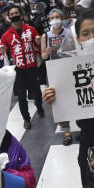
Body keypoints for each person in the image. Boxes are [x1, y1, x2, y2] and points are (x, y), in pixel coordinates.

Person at [43, 8, 94, 182]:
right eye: (85, 33)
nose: (92, 38)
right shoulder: (70, 72)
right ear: (79, 40)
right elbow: (63, 121)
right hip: (90, 146)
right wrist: (52, 103)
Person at [0, 4, 44, 130]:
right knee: (21, 96)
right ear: (8, 17)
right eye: (11, 14)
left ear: (22, 15)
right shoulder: (6, 35)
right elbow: (1, 51)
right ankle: (26, 119)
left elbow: (38, 42)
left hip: (32, 66)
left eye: (16, 13)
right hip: (18, 69)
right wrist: (2, 49)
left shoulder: (31, 29)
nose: (14, 16)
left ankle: (39, 106)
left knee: (37, 92)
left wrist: (38, 41)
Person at [40, 8, 78, 145]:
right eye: (52, 17)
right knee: (57, 102)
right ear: (49, 20)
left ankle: (83, 125)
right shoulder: (46, 36)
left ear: (62, 19)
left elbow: (77, 49)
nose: (55, 19)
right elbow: (43, 56)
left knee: (76, 96)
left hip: (69, 68)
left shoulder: (70, 33)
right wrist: (47, 52)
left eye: (58, 16)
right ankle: (66, 131)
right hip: (53, 71)